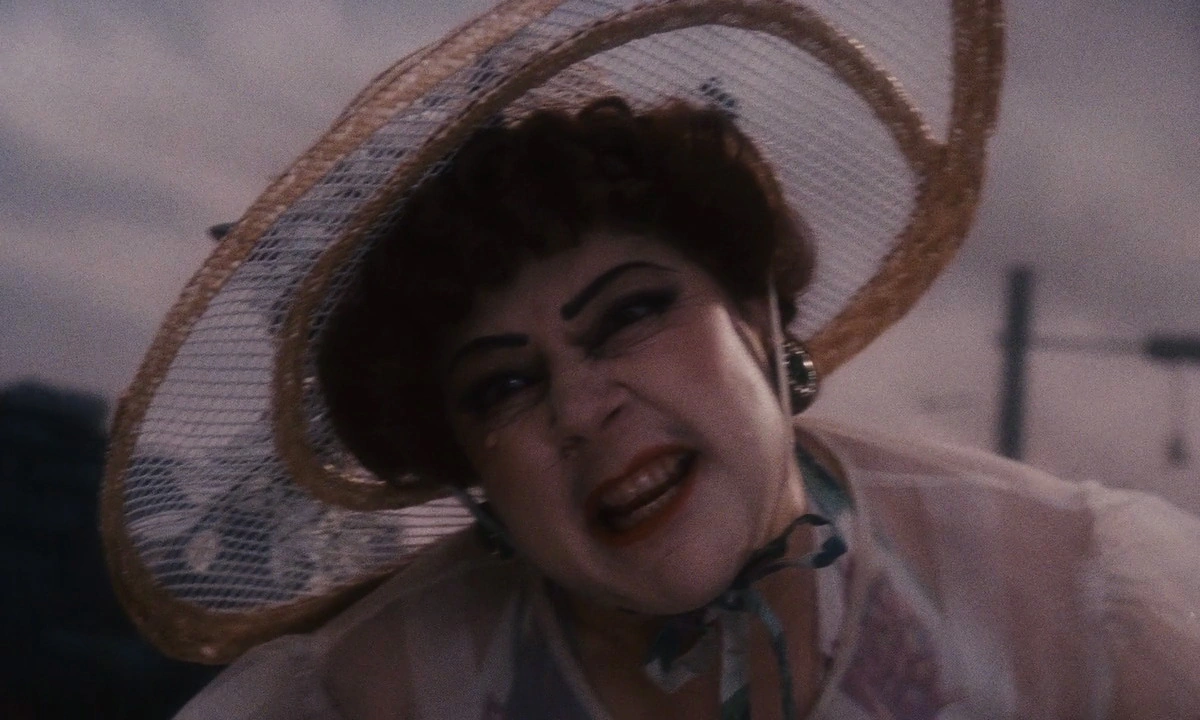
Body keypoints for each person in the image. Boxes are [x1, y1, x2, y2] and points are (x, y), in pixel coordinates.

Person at [101, 2, 1200, 718]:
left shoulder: (1075, 600)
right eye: (504, 385)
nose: (582, 407)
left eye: (628, 315)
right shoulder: (373, 696)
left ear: (758, 318)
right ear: (473, 473)